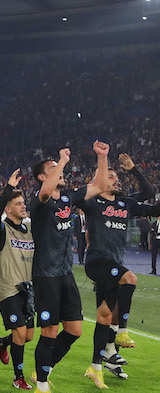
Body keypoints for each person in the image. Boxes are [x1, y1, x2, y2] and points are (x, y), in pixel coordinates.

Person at [28, 142, 109, 393]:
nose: (60, 171)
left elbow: (101, 186)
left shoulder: (68, 197)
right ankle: (42, 383)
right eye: (52, 169)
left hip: (65, 273)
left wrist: (102, 157)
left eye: (59, 168)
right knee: (50, 330)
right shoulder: (38, 201)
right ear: (43, 177)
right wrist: (60, 161)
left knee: (74, 330)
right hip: (45, 275)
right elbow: (45, 192)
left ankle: (43, 369)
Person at [79, 153, 158, 387]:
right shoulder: (92, 203)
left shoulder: (126, 204)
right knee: (130, 278)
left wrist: (134, 169)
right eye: (111, 177)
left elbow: (151, 196)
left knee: (104, 316)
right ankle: (121, 332)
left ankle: (97, 365)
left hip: (113, 264)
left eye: (116, 176)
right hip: (97, 262)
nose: (116, 180)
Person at [0, 170, 35, 390]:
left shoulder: (29, 230)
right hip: (8, 290)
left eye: (23, 203)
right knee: (19, 333)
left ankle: (2, 342)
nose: (23, 206)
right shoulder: (1, 230)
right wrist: (8, 188)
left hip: (28, 292)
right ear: (8, 209)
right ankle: (19, 377)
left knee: (28, 336)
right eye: (18, 204)